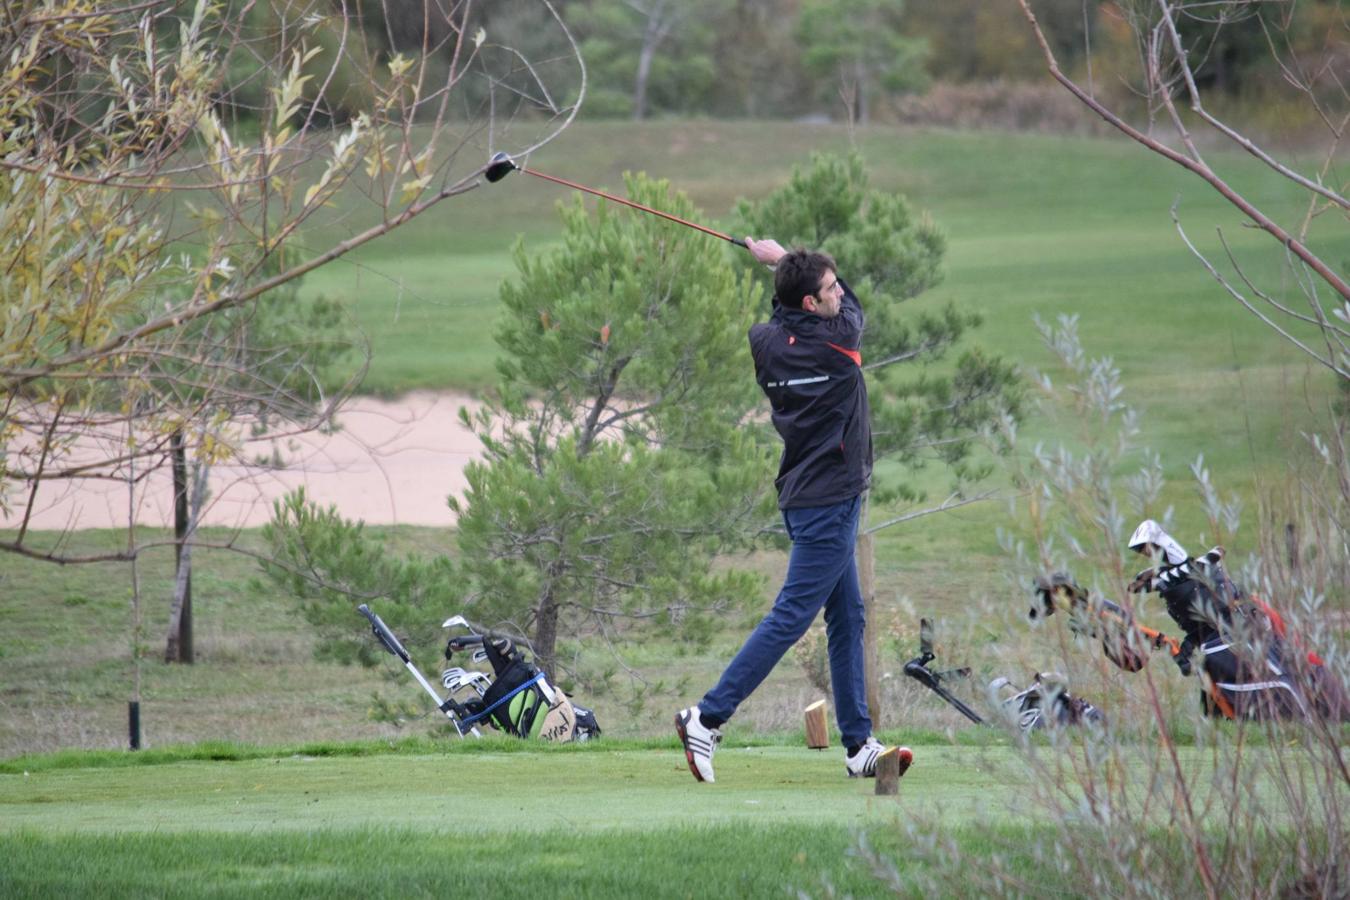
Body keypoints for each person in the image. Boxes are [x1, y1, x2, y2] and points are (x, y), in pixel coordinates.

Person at [674, 237, 913, 783]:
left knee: (848, 615)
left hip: (807, 495)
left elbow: (782, 314)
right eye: (828, 288)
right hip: (829, 502)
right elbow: (853, 310)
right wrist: (781, 259)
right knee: (790, 618)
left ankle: (859, 747)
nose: (837, 292)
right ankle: (706, 718)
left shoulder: (765, 343)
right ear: (812, 304)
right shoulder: (840, 341)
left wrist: (786, 271)